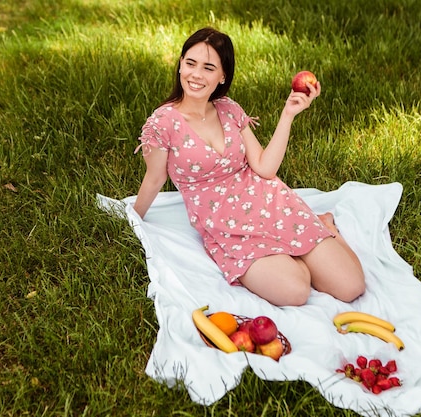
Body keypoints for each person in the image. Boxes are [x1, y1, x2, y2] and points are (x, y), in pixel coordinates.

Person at [133, 27, 365, 306]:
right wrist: (133, 218)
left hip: (270, 201)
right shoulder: (162, 123)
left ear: (222, 77)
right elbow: (155, 178)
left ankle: (325, 228)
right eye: (190, 63)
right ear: (180, 64)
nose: (196, 74)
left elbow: (264, 168)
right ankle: (292, 253)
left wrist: (288, 114)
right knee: (295, 292)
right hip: (226, 224)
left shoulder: (228, 109)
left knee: (352, 287)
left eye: (208, 68)